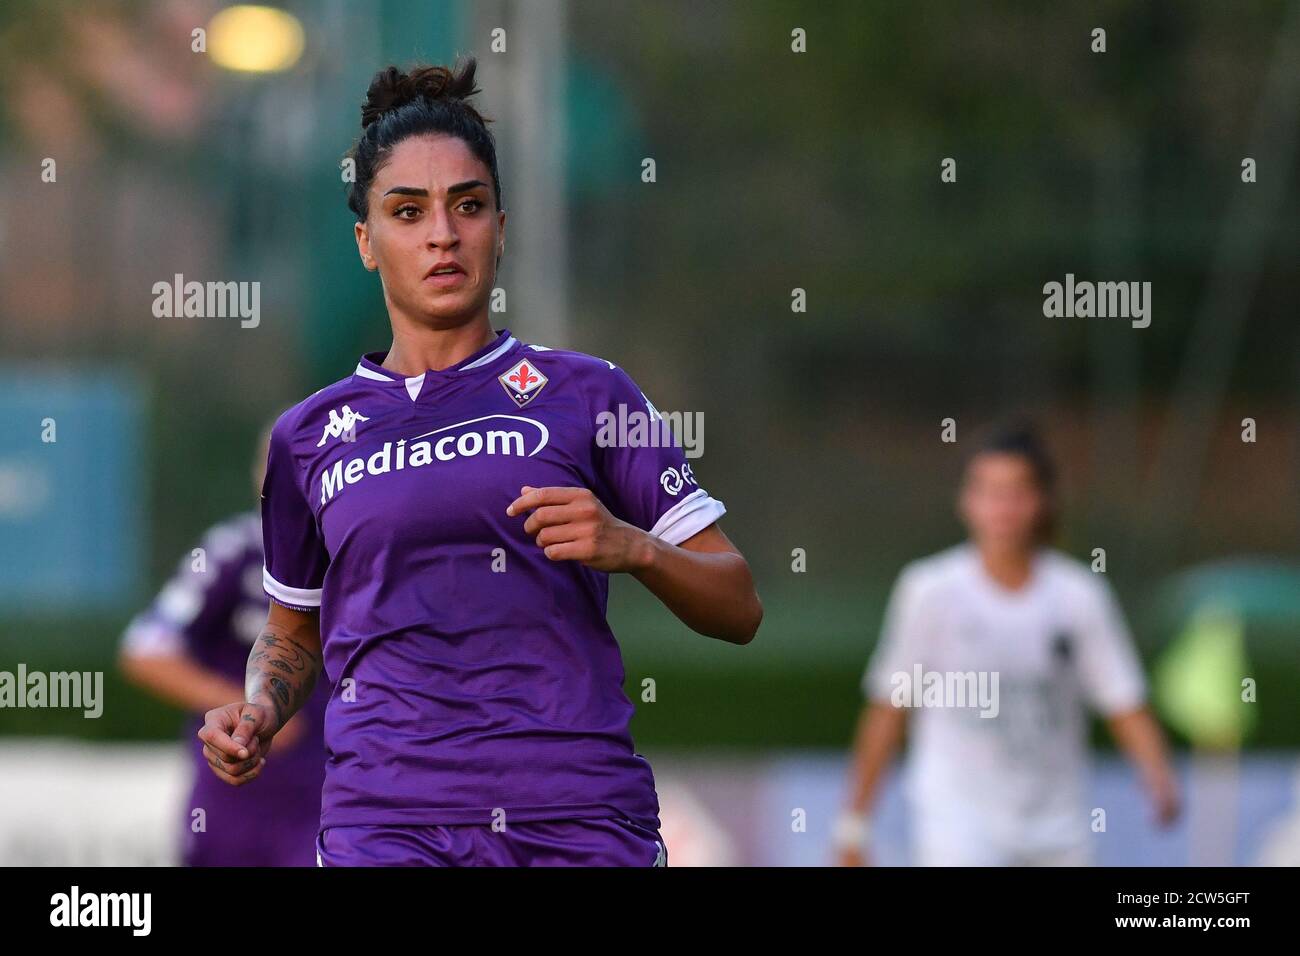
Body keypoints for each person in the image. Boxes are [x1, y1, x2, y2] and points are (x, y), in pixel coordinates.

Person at [197, 57, 762, 867]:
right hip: (384, 828)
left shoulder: (591, 394)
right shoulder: (307, 436)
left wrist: (633, 547)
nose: (441, 234)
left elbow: (739, 605)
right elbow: (293, 633)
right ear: (366, 241)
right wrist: (258, 711)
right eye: (407, 210)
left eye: (468, 205)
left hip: (578, 821)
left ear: (502, 225)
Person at [836, 421, 1179, 866]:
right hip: (957, 823)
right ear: (966, 501)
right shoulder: (929, 590)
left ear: (1042, 501)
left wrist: (1157, 774)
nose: (1002, 509)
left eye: (1016, 493)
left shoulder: (1080, 596)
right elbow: (888, 708)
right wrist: (854, 825)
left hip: (1059, 825)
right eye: (988, 492)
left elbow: (1121, 697)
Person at [119, 425, 329, 866]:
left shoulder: (367, 557)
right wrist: (251, 709)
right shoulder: (233, 551)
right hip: (233, 805)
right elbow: (145, 649)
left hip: (334, 806)